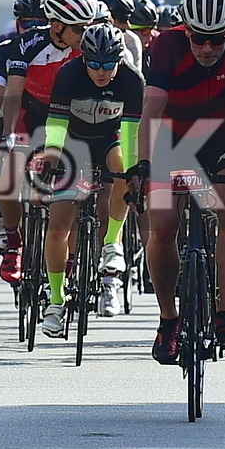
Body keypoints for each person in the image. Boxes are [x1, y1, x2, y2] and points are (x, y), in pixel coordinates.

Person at [128, 0, 225, 364]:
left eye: (216, 40)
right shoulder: (166, 46)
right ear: (186, 32)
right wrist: (143, 163)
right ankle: (168, 319)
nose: (207, 48)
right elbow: (151, 111)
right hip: (173, 136)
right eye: (199, 39)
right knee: (163, 223)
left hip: (221, 135)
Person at [38, 24, 145, 334]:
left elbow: (130, 134)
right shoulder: (69, 74)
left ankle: (112, 242)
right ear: (82, 57)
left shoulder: (131, 79)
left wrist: (134, 171)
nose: (101, 71)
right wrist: (53, 156)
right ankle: (56, 301)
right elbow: (56, 124)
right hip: (73, 141)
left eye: (108, 64)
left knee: (124, 166)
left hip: (109, 139)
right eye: (94, 63)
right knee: (59, 223)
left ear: (119, 60)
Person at [0, 0, 98, 286]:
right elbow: (13, 92)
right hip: (33, 117)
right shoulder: (28, 44)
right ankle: (14, 239)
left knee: (76, 195)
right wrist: (7, 134)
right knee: (7, 170)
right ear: (57, 26)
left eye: (87, 27)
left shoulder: (88, 46)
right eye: (78, 28)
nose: (84, 34)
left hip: (72, 120)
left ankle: (67, 260)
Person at [0, 0, 48, 256]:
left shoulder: (56, 48)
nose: (31, 29)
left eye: (38, 23)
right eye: (26, 23)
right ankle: (1, 218)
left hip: (46, 115)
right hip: (12, 115)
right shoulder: (4, 49)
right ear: (17, 24)